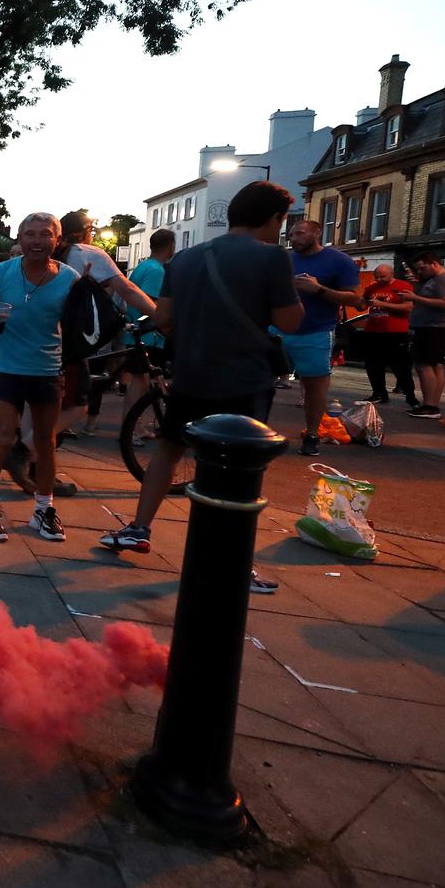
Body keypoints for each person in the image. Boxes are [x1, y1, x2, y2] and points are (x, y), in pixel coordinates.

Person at [100, 181, 304, 595]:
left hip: (191, 373)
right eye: (282, 221)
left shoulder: (186, 259)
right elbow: (288, 323)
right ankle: (233, 560)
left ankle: (139, 528)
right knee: (239, 471)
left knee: (169, 449)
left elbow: (164, 317)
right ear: (273, 218)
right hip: (243, 379)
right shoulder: (272, 259)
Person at [0, 213, 79, 543]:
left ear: (57, 240)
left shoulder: (69, 278)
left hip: (47, 367)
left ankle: (44, 509)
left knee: (45, 441)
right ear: (20, 238)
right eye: (30, 234)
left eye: (45, 234)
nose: (37, 240)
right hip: (7, 366)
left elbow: (80, 324)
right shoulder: (1, 272)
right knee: (4, 436)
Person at [54, 212, 156, 440]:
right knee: (77, 402)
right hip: (68, 340)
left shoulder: (56, 255)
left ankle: (35, 456)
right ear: (82, 232)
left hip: (44, 332)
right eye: (91, 230)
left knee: (53, 402)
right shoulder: (87, 253)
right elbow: (127, 290)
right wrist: (160, 316)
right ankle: (29, 448)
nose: (92, 235)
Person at [284, 220, 362, 455]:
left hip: (316, 331)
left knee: (314, 385)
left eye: (299, 233)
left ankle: (312, 435)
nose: (294, 238)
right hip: (278, 329)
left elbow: (355, 299)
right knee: (259, 380)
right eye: (291, 235)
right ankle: (254, 431)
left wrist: (319, 289)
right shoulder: (285, 259)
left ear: (317, 232)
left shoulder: (340, 261)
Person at [121, 228, 175, 435]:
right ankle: (132, 428)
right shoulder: (156, 271)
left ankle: (138, 426)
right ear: (170, 246)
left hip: (137, 332)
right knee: (140, 381)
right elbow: (152, 304)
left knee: (142, 382)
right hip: (147, 335)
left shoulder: (143, 267)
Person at [406, 251, 445, 418]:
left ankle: (430, 405)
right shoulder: (433, 280)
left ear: (434, 264)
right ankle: (432, 405)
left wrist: (415, 298)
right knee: (434, 365)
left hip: (436, 328)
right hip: (432, 326)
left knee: (424, 365)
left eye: (422, 268)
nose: (420, 272)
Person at [357, 263, 417, 406]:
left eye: (382, 277)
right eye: (376, 276)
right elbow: (362, 306)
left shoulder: (403, 286)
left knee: (400, 365)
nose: (379, 279)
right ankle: (378, 393)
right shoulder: (371, 288)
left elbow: (408, 307)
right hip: (373, 330)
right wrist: (358, 302)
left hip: (395, 331)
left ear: (391, 274)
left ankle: (411, 396)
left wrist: (383, 305)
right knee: (373, 365)